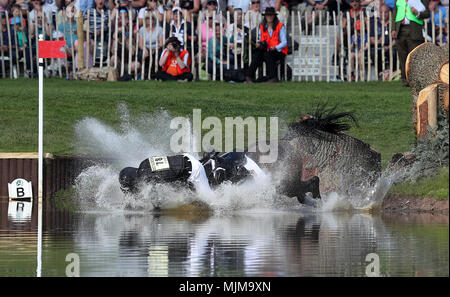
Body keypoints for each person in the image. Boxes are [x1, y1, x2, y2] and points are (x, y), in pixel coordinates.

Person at [392, 0, 430, 86]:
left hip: (414, 30)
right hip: (400, 30)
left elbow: (427, 13)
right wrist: (393, 29)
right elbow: (394, 14)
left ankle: (416, 80)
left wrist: (418, 13)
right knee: (402, 56)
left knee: (414, 57)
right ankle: (405, 80)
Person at [245, 6, 287, 83]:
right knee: (258, 53)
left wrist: (276, 47)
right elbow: (261, 39)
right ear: (265, 16)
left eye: (271, 15)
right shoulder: (262, 27)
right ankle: (249, 76)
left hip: (279, 51)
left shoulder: (280, 26)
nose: (269, 17)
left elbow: (284, 42)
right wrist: (259, 43)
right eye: (267, 15)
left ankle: (273, 77)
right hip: (268, 50)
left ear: (274, 16)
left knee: (266, 54)